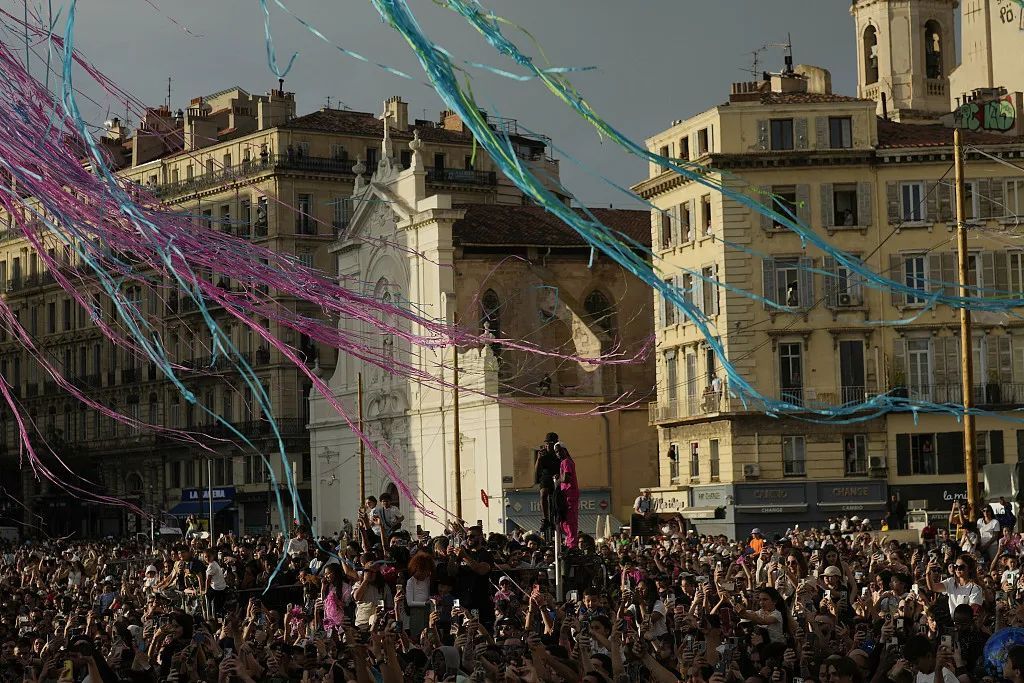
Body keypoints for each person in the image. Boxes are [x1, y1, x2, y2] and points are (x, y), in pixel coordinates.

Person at [534, 433, 561, 533]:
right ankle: (545, 519)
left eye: (550, 443)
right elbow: (537, 472)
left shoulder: (559, 451)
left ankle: (556, 518)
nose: (548, 446)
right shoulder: (543, 453)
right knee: (543, 493)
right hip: (546, 477)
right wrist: (539, 459)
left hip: (557, 477)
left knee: (557, 498)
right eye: (546, 443)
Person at [556, 442, 580, 549]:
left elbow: (566, 478)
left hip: (569, 495)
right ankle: (569, 542)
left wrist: (557, 479)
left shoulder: (566, 462)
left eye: (559, 451)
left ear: (565, 450)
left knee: (569, 521)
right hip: (566, 495)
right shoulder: (565, 462)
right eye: (556, 452)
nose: (558, 454)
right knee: (565, 521)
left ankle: (572, 544)